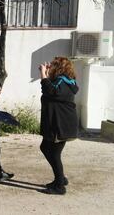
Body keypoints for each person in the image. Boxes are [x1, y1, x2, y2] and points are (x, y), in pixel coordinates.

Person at [38, 57, 79, 195]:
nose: (51, 66)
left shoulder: (63, 81)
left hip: (60, 124)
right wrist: (47, 75)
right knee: (45, 147)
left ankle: (60, 186)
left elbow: (52, 91)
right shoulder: (61, 81)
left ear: (60, 67)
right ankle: (60, 179)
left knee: (54, 154)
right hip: (56, 123)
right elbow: (51, 90)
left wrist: (43, 75)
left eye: (54, 65)